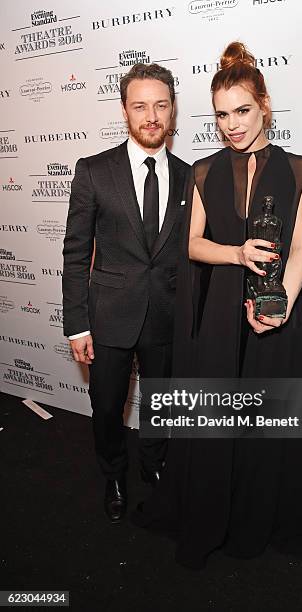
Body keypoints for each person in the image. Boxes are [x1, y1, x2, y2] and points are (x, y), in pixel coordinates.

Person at [131, 42, 302, 568]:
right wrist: (237, 253)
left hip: (273, 310)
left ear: (264, 103)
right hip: (216, 312)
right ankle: (210, 511)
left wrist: (281, 304)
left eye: (241, 110)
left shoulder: (301, 169)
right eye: (221, 115)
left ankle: (256, 515)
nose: (232, 125)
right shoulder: (204, 172)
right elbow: (192, 244)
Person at [62, 63, 189, 523]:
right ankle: (113, 475)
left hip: (168, 316)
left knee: (160, 402)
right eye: (140, 105)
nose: (151, 115)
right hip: (108, 315)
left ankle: (154, 467)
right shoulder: (94, 171)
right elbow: (76, 252)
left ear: (172, 109)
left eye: (160, 104)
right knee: (107, 407)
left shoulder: (190, 175)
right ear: (124, 111)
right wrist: (76, 323)